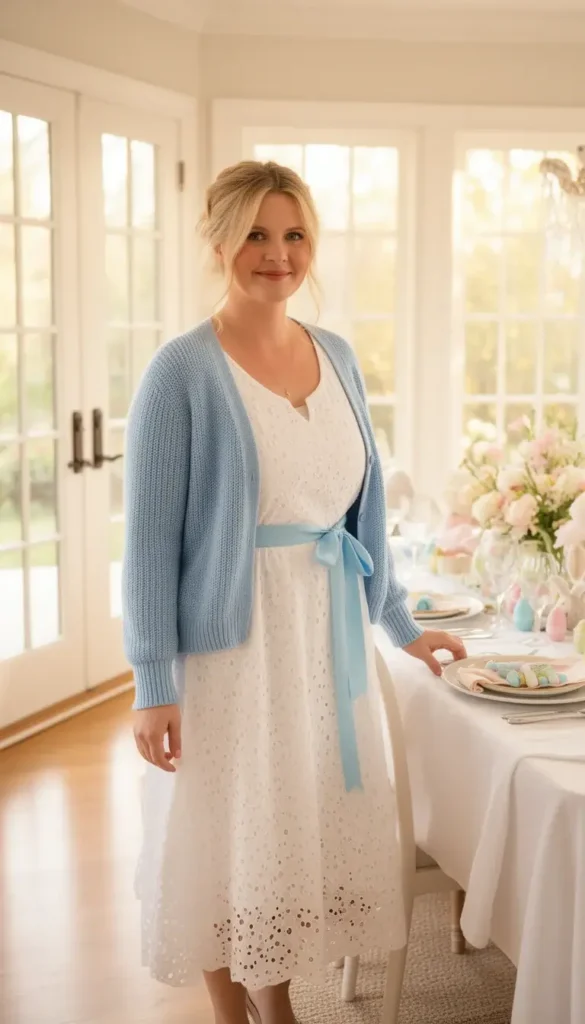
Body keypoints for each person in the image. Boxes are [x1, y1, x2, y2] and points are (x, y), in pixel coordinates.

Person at [123, 160, 466, 1024]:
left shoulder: (337, 355)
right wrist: (152, 682)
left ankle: (277, 1005)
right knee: (229, 840)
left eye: (295, 234)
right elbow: (148, 542)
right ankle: (248, 1015)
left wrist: (400, 622)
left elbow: (362, 513)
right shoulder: (181, 372)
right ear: (218, 241)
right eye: (256, 234)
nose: (277, 254)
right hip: (230, 649)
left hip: (324, 640)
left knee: (290, 835)